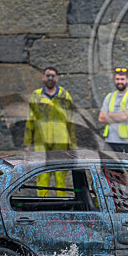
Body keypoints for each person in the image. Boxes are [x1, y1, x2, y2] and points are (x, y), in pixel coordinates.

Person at [23, 66, 76, 196]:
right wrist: (28, 143)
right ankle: (43, 206)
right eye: (48, 75)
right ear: (43, 78)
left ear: (57, 78)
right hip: (41, 142)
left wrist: (73, 145)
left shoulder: (64, 95)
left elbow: (71, 121)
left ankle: (62, 207)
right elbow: (30, 120)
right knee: (42, 176)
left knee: (60, 176)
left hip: (61, 142)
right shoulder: (36, 96)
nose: (50, 78)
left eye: (53, 76)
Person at [98, 67, 128, 154]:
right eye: (117, 79)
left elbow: (126, 116)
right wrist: (120, 115)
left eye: (122, 79)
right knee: (108, 167)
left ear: (127, 80)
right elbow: (101, 118)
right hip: (109, 141)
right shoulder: (109, 96)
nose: (120, 81)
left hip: (125, 142)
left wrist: (108, 115)